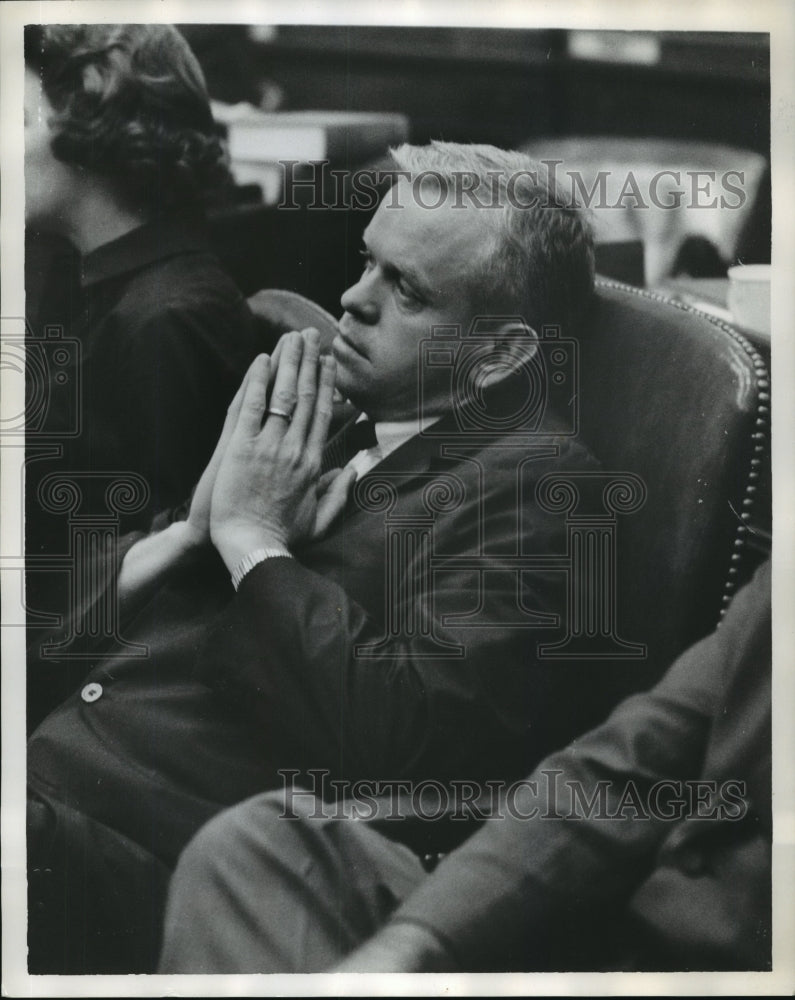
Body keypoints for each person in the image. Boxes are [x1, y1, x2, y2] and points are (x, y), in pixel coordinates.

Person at [27, 142, 640, 974]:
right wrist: (191, 535)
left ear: (500, 354)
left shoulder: (537, 488)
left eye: (407, 291)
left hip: (159, 856)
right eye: (367, 262)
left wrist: (255, 544)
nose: (350, 299)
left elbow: (403, 742)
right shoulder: (344, 419)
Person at [158, 559, 772, 975]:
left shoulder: (524, 482)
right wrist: (415, 944)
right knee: (261, 848)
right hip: (606, 938)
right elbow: (616, 776)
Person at [23, 25, 263, 715]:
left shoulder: (166, 316)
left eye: (20, 121)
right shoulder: (67, 267)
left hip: (87, 656)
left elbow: (175, 563)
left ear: (98, 138)